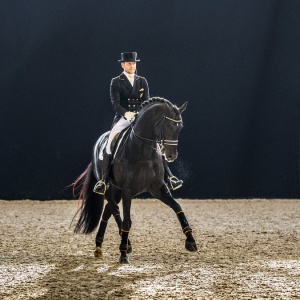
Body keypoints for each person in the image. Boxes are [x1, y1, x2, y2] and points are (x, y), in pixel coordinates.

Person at [93, 52, 183, 194]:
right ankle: (103, 180)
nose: (132, 66)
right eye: (129, 63)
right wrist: (126, 113)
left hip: (140, 118)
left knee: (157, 142)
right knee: (110, 142)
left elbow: (146, 102)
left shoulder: (142, 81)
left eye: (134, 63)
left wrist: (141, 115)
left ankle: (171, 177)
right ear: (122, 65)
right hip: (123, 118)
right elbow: (115, 103)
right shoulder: (116, 82)